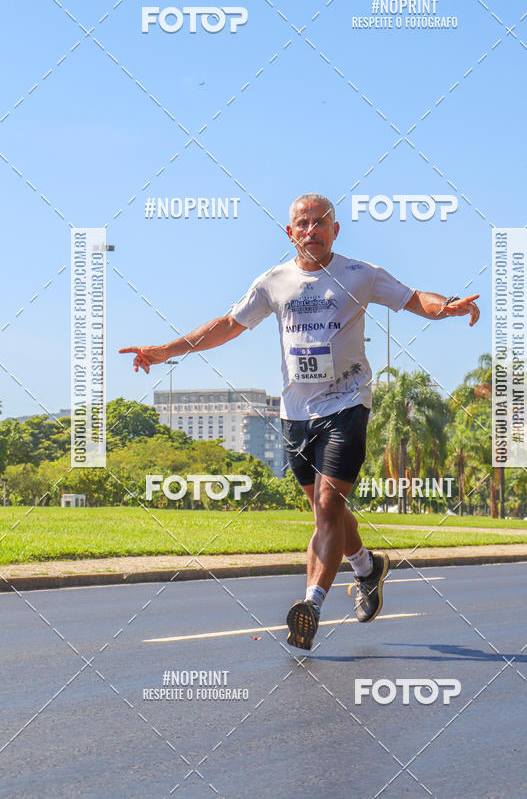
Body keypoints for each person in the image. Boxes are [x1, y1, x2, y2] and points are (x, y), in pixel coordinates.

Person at [120, 193, 480, 650]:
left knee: (328, 507)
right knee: (325, 511)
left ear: (335, 229)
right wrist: (166, 351)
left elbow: (412, 299)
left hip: (348, 404)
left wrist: (446, 306)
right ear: (290, 232)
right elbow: (227, 326)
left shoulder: (360, 275)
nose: (310, 230)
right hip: (295, 415)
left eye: (319, 222)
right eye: (302, 224)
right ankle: (367, 567)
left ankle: (310, 604)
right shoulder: (275, 282)